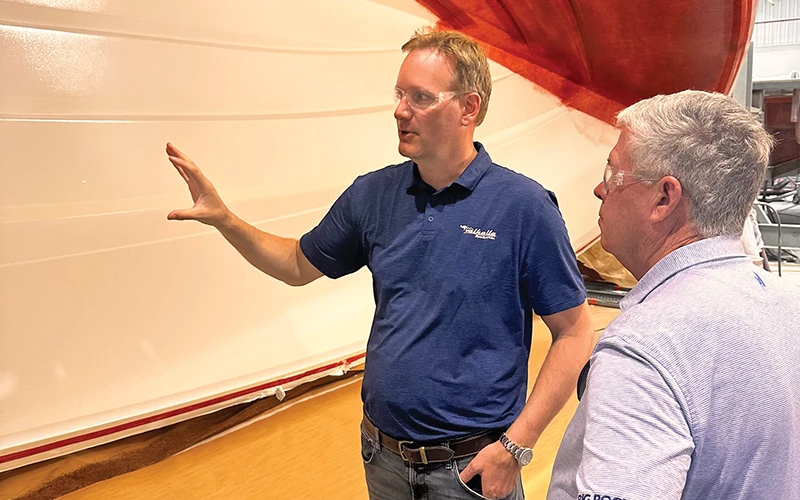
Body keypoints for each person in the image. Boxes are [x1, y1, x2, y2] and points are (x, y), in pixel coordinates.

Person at [167, 29, 594, 500]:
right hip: (383, 460)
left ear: (469, 108)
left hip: (472, 471)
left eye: (420, 97)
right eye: (399, 94)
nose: (399, 110)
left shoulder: (523, 208)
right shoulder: (372, 196)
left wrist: (515, 447)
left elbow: (575, 333)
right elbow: (295, 263)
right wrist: (226, 220)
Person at [547, 90, 800, 500]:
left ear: (664, 198)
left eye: (612, 174)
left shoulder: (646, 347)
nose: (599, 189)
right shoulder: (788, 306)